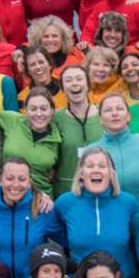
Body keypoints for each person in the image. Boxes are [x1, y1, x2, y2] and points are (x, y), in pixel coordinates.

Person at [52, 146, 139, 278]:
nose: (96, 170)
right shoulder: (64, 203)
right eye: (90, 166)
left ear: (111, 172)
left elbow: (138, 243)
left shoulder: (128, 203)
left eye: (102, 166)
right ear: (81, 172)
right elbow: (54, 238)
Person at [0, 158, 58, 278]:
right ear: (0, 180)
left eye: (22, 179)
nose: (15, 184)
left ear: (30, 182)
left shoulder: (43, 208)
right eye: (10, 178)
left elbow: (65, 242)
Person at [88, 93, 139, 207]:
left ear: (129, 116)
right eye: (108, 110)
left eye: (119, 109)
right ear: (100, 119)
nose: (114, 113)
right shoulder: (91, 151)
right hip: (109, 218)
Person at [0, 87, 62, 194]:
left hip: (42, 199)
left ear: (52, 110)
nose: (38, 114)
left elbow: (57, 169)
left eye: (44, 109)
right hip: (10, 193)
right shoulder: (12, 121)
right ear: (25, 111)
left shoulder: (57, 139)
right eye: (33, 109)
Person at [51, 66, 103, 195]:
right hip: (66, 191)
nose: (74, 83)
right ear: (63, 89)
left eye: (79, 79)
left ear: (88, 85)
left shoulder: (103, 114)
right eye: (68, 80)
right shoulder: (55, 117)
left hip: (100, 188)